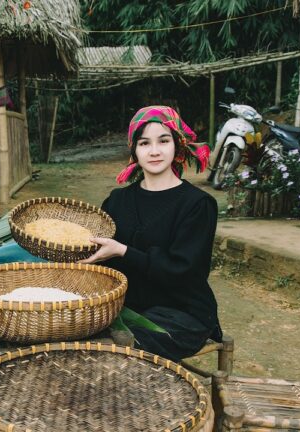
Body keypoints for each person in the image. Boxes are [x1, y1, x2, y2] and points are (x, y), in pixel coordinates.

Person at [79, 105, 222, 361]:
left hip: (181, 312)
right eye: (144, 143)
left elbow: (184, 271)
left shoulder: (197, 204)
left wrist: (123, 251)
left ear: (177, 145)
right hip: (124, 307)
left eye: (163, 141)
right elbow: (96, 251)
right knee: (75, 332)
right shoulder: (117, 200)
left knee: (118, 345)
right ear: (134, 150)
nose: (154, 151)